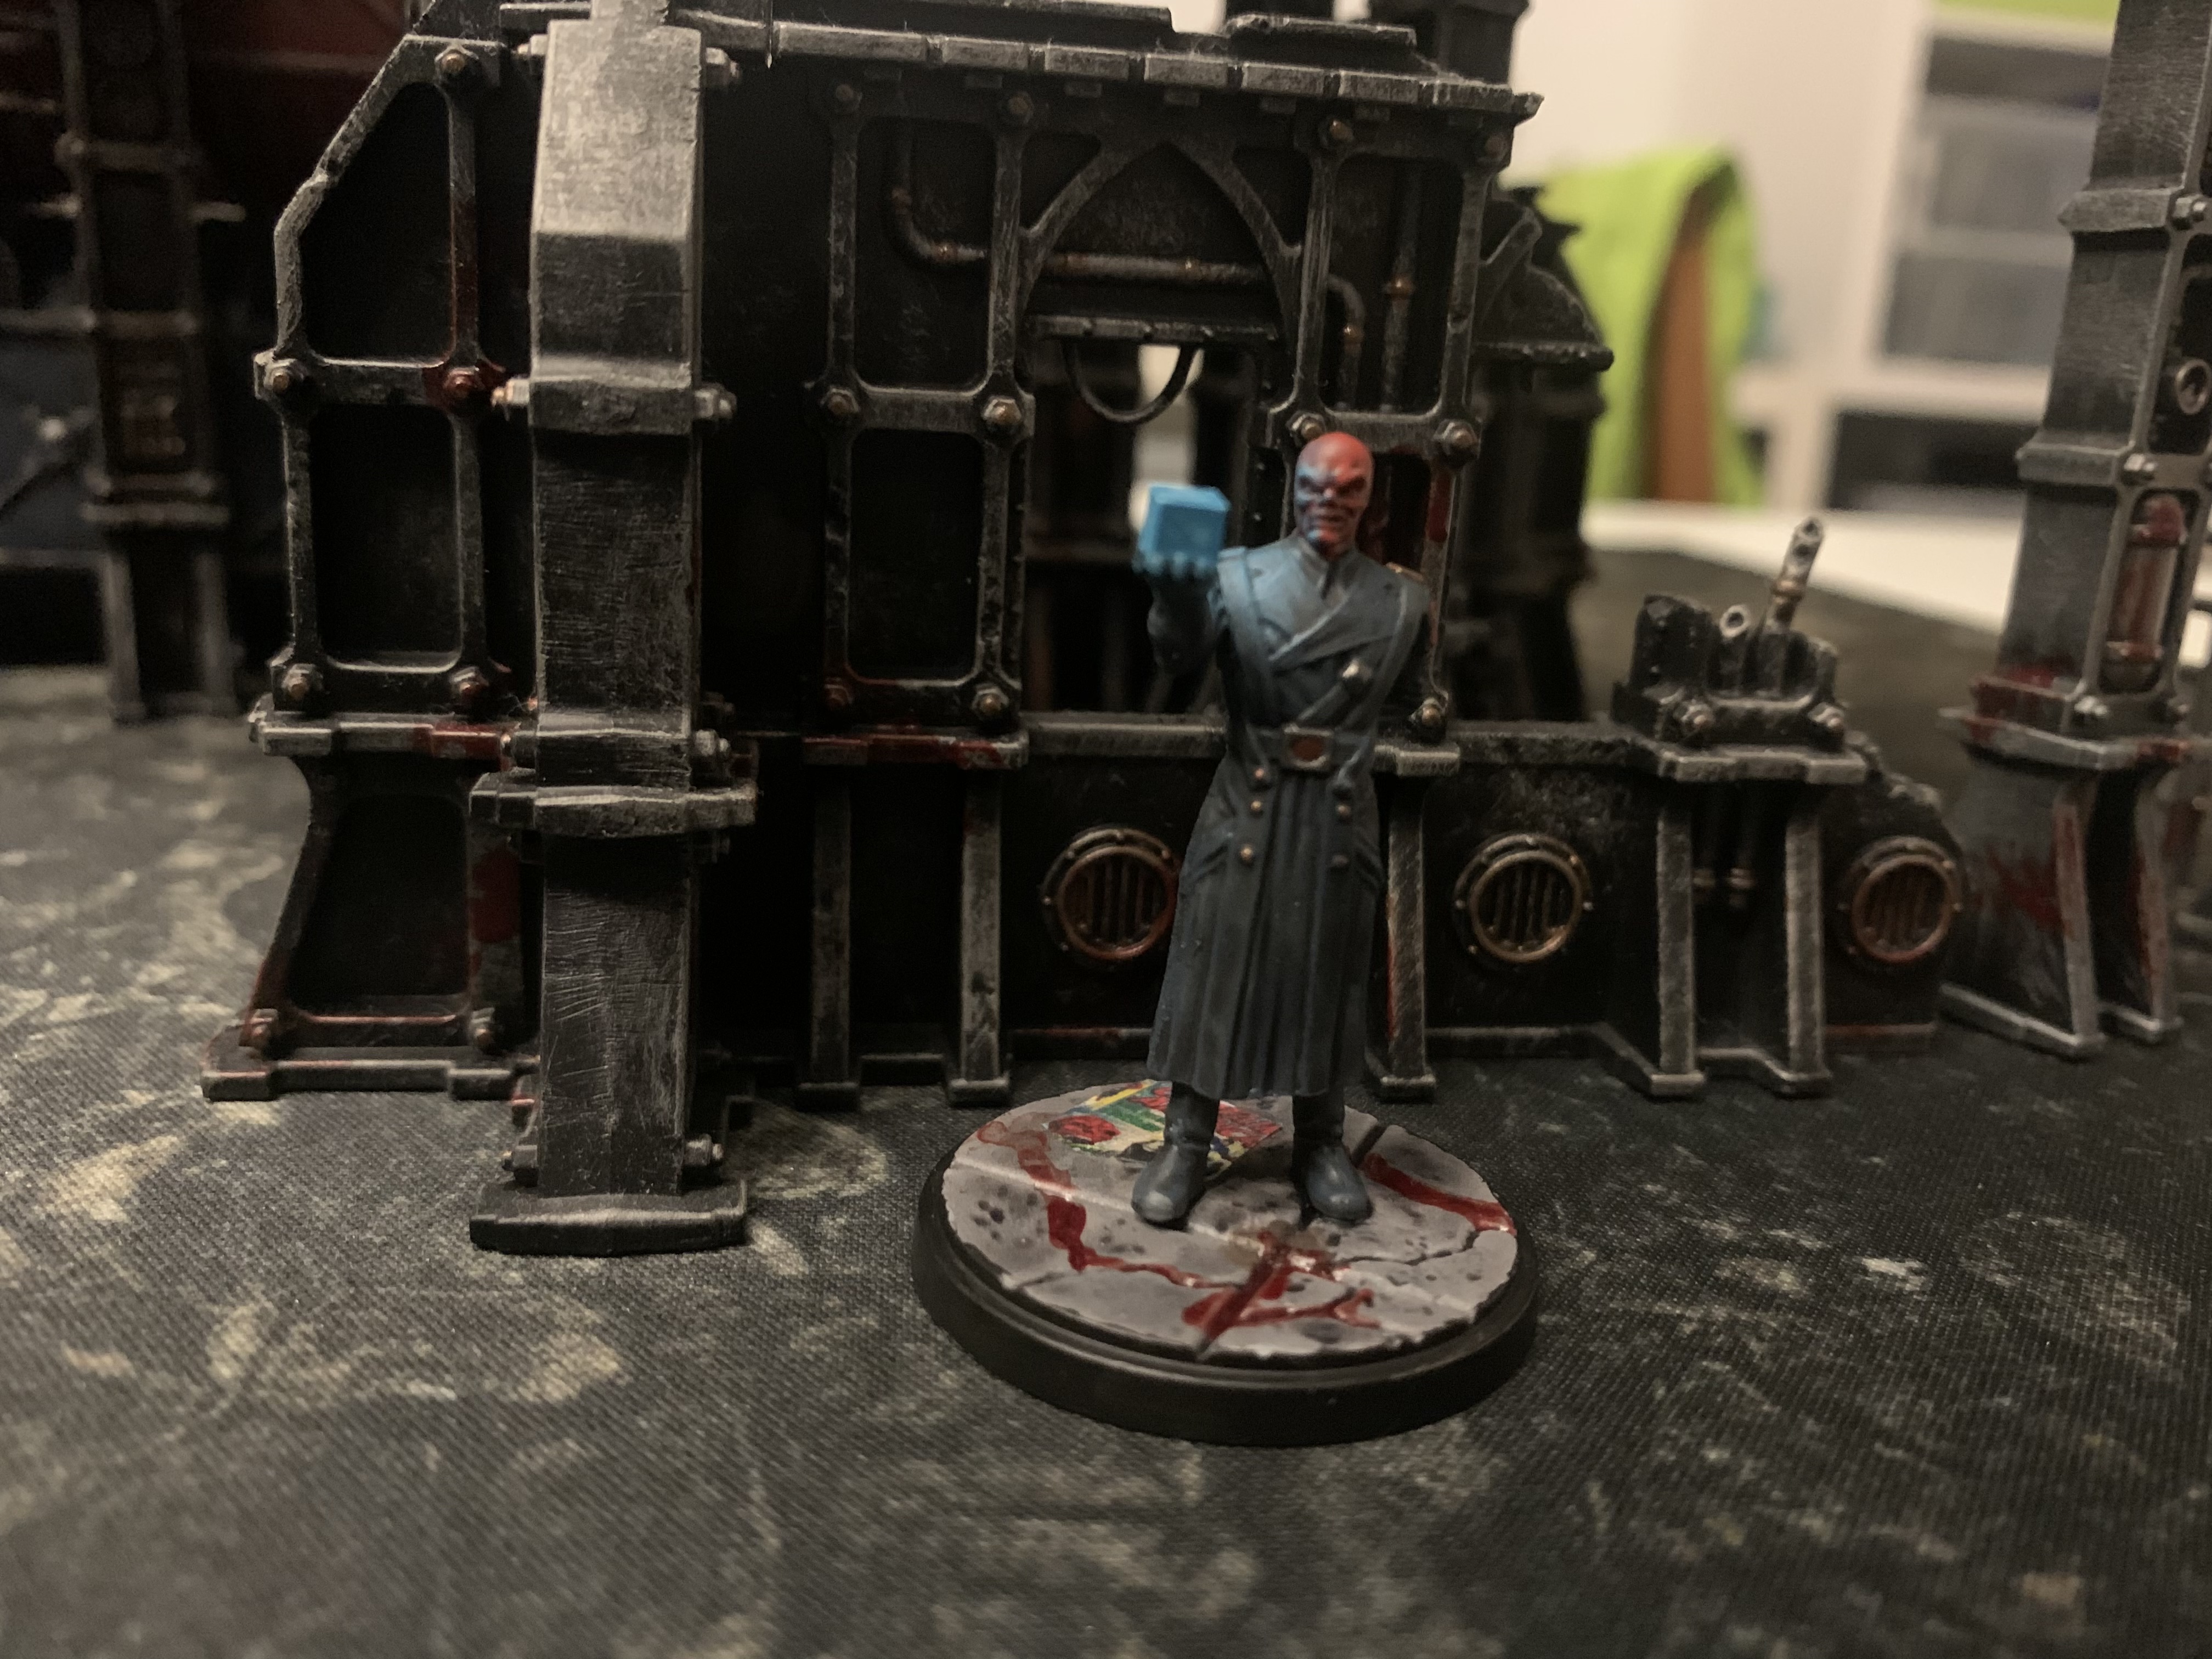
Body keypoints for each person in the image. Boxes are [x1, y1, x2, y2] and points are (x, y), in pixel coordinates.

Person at [1130, 432, 1428, 1228]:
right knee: (1215, 969)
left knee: (1326, 976)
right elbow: (1178, 658)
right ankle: (1186, 1141)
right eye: (1314, 485)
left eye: (1348, 488)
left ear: (1370, 501)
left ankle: (1321, 1143)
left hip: (1336, 813)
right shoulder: (1237, 578)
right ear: (1293, 490)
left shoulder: (1400, 601)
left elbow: (1412, 700)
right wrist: (1174, 595)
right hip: (1250, 804)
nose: (1329, 501)